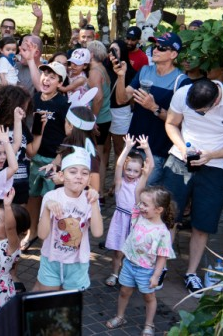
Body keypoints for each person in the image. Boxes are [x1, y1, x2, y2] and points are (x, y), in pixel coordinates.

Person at [162, 78, 223, 296]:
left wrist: (212, 155)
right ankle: (160, 266)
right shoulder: (183, 93)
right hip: (179, 160)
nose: (198, 114)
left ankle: (191, 273)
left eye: (201, 111)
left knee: (203, 224)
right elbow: (171, 123)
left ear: (215, 102)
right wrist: (183, 148)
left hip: (214, 168)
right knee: (169, 217)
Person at [114, 32, 191, 185]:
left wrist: (153, 107)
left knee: (145, 193)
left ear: (173, 54)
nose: (155, 50)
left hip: (157, 150)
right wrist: (121, 77)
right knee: (126, 190)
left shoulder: (182, 81)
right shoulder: (144, 71)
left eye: (161, 48)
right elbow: (121, 99)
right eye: (155, 46)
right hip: (133, 144)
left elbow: (181, 122)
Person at [105, 186, 176, 336]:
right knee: (124, 291)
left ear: (158, 210)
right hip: (129, 264)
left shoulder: (163, 232)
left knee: (149, 297)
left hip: (147, 270)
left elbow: (162, 257)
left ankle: (149, 324)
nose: (140, 206)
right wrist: (145, 175)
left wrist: (155, 276)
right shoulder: (138, 216)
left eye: (145, 204)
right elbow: (138, 192)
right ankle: (120, 317)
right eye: (141, 203)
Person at [34, 146, 103, 291]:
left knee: (69, 303)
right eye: (72, 172)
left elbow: (97, 233)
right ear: (61, 175)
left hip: (77, 264)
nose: (79, 176)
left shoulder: (89, 200)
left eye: (84, 173)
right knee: (49, 301)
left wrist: (94, 203)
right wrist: (46, 208)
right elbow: (42, 235)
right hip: (51, 260)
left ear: (89, 179)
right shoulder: (51, 197)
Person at [24, 61, 69, 252]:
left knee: (50, 199)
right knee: (33, 196)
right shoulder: (35, 99)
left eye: (52, 77)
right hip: (35, 157)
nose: (46, 79)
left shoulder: (63, 104)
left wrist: (58, 159)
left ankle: (49, 239)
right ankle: (32, 231)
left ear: (60, 83)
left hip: (53, 160)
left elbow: (68, 135)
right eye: (45, 75)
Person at [104, 134, 154, 286]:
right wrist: (126, 148)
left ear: (140, 172)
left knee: (134, 252)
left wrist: (147, 148)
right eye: (129, 170)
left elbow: (151, 166)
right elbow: (119, 165)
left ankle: (130, 276)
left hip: (135, 222)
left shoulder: (140, 184)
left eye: (135, 171)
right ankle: (114, 274)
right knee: (118, 251)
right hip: (121, 219)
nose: (131, 174)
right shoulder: (120, 183)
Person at [0, 188, 30, 315]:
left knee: (0, 319)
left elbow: (10, 228)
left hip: (0, 289)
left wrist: (7, 206)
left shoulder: (12, 244)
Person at [86, 41, 112, 204]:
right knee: (100, 155)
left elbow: (98, 97)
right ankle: (100, 191)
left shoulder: (95, 71)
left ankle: (97, 191)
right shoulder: (102, 68)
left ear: (92, 54)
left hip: (99, 119)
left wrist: (93, 118)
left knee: (95, 157)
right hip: (105, 118)